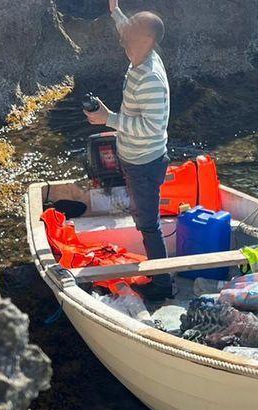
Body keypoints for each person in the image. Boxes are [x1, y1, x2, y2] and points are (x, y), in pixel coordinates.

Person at [85, 0, 173, 302]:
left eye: (130, 32)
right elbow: (128, 30)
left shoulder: (149, 77)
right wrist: (115, 10)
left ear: (146, 40)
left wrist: (107, 118)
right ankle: (158, 274)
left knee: (149, 225)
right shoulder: (140, 51)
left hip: (144, 163)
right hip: (136, 159)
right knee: (143, 216)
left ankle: (162, 285)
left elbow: (152, 127)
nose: (124, 36)